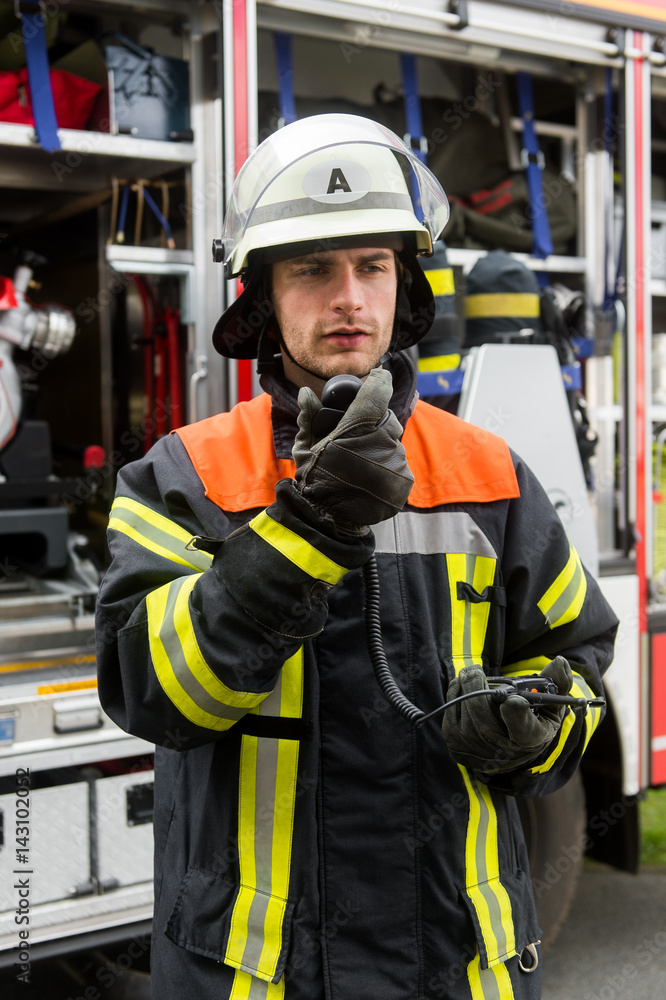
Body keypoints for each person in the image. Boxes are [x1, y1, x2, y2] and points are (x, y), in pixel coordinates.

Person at [96, 114, 618, 1000]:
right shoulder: (185, 476)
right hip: (263, 979)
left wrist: (532, 725)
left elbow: (578, 664)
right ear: (263, 297)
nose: (349, 298)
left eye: (372, 266)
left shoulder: (488, 472)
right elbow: (154, 692)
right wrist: (304, 533)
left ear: (403, 286)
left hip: (458, 973)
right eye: (312, 269)